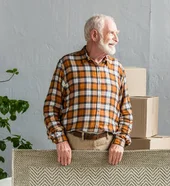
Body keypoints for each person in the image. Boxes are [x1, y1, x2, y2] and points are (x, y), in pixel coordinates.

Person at [43, 14, 132, 166]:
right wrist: (61, 140)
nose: (116, 39)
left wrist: (119, 142)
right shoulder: (67, 64)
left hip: (108, 149)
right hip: (72, 147)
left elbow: (126, 113)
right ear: (94, 35)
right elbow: (51, 108)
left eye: (116, 34)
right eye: (111, 33)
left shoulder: (118, 69)